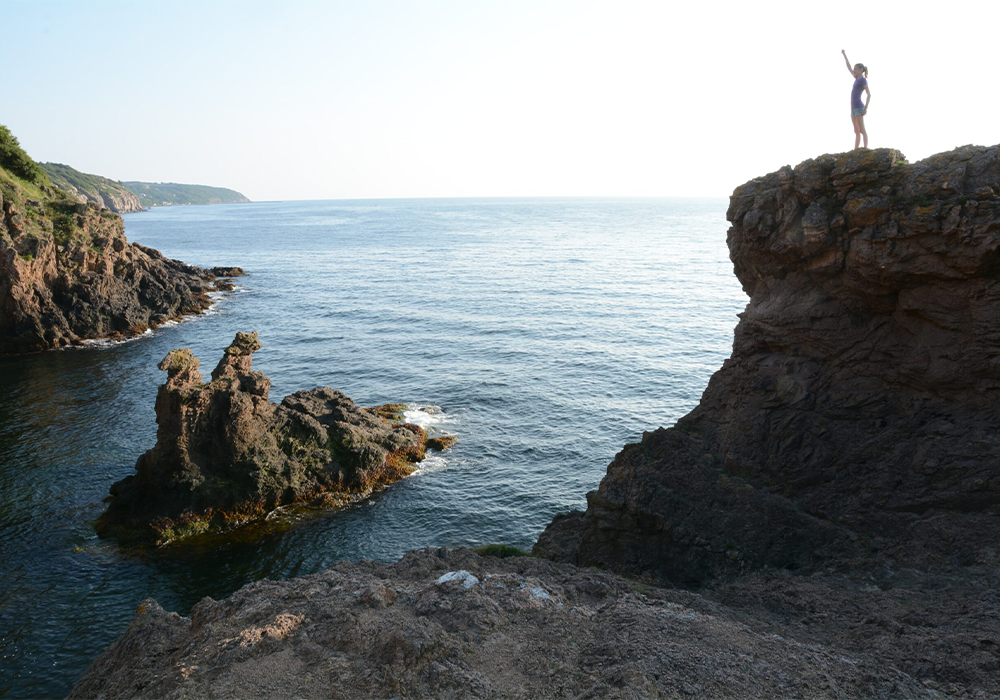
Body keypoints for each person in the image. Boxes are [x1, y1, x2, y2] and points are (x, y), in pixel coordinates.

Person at [841, 50, 871, 149]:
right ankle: (856, 149)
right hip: (853, 107)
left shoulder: (863, 80)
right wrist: (844, 55)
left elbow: (869, 94)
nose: (854, 70)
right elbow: (848, 67)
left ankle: (865, 148)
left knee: (862, 129)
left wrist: (866, 107)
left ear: (861, 69)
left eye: (856, 69)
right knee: (856, 130)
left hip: (859, 106)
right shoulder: (856, 79)